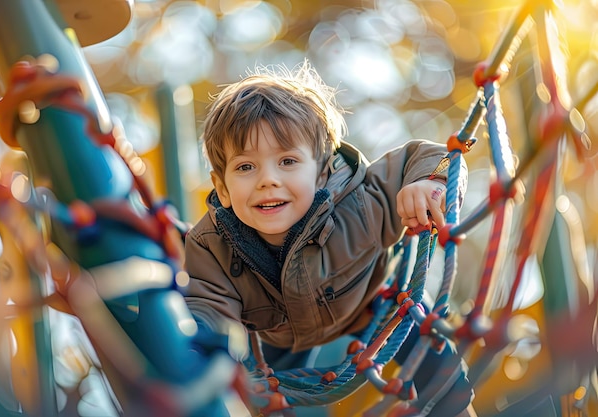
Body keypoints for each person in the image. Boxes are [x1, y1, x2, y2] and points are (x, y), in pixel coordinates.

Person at [183, 60, 472, 416]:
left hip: (373, 301)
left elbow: (437, 157)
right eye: (246, 167)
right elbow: (210, 308)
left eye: (287, 161)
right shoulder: (210, 245)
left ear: (322, 174)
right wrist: (198, 342)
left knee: (438, 368)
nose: (267, 179)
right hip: (280, 337)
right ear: (222, 189)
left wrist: (429, 182)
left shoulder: (359, 203)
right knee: (262, 398)